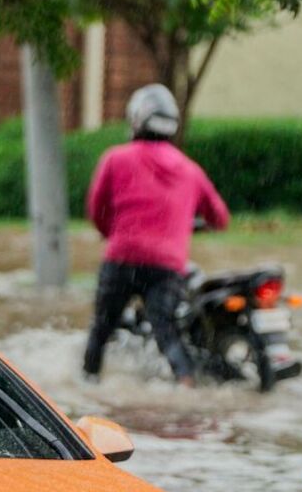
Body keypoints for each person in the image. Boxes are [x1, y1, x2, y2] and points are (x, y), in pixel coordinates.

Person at [83, 84, 229, 386]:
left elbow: (96, 209)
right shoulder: (191, 169)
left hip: (122, 258)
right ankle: (187, 382)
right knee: (167, 331)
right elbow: (220, 218)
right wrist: (193, 224)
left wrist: (111, 232)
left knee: (101, 329)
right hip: (167, 266)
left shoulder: (115, 158)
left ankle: (88, 382)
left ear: (136, 119)